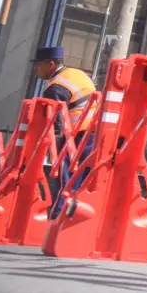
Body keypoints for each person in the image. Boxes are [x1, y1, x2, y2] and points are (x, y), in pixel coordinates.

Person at [31, 46, 97, 219]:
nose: (35, 69)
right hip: (95, 132)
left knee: (66, 179)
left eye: (38, 64)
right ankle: (74, 216)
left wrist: (53, 144)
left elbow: (56, 121)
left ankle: (60, 216)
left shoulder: (56, 87)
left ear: (50, 64)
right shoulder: (77, 74)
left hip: (78, 134)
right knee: (82, 179)